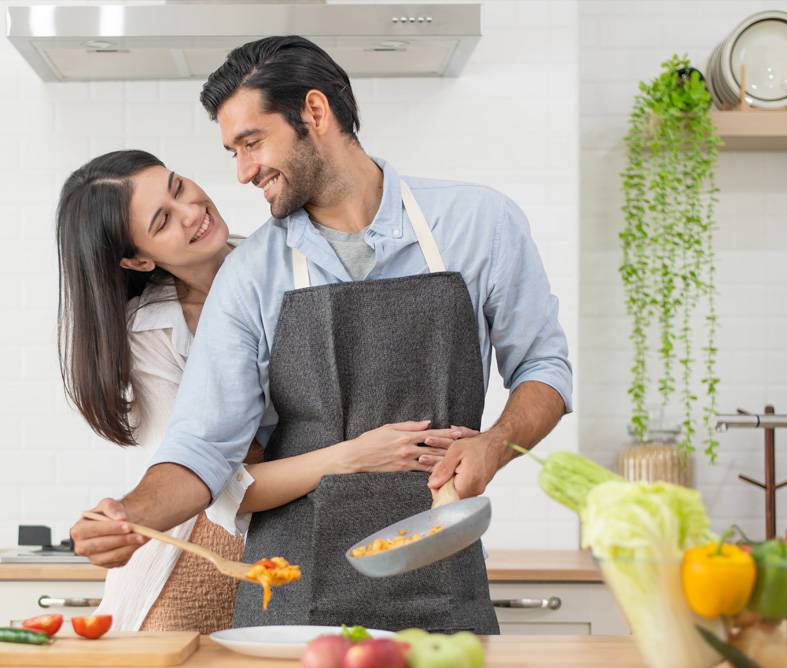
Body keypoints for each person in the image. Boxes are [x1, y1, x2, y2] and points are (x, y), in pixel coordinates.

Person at [71, 36, 573, 635]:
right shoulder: (249, 274)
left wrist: (496, 444)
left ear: (314, 111)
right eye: (233, 151)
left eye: (252, 143)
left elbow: (544, 367)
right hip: (291, 591)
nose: (242, 171)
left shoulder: (479, 223)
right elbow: (203, 448)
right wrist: (129, 513)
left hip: (440, 567)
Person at [57, 149, 467, 632]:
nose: (191, 211)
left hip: (308, 548)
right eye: (163, 220)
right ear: (138, 259)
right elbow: (222, 489)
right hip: (192, 570)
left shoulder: (283, 263)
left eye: (178, 186)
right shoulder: (150, 336)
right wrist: (353, 456)